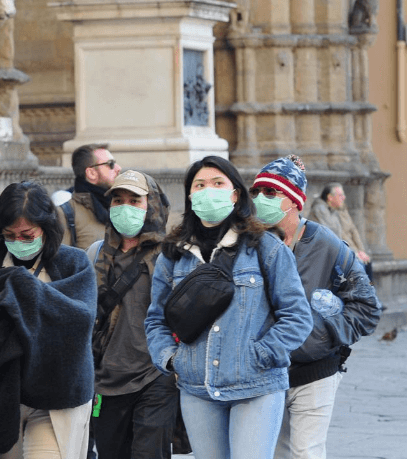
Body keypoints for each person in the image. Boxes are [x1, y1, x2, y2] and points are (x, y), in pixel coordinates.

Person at [144, 155, 313, 459]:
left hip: (257, 386)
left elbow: (297, 316)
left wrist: (261, 354)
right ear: (190, 195)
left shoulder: (266, 247)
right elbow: (156, 319)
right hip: (198, 389)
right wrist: (171, 360)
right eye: (200, 185)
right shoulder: (173, 254)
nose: (209, 190)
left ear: (235, 194)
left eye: (218, 183)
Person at [0, 181, 97, 459]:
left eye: (27, 235)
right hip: (3, 394)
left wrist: (23, 288)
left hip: (57, 397)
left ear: (46, 229)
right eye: (10, 235)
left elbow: (79, 320)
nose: (19, 243)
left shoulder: (73, 263)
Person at [250, 156, 381, 459]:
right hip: (265, 373)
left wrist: (322, 334)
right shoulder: (249, 244)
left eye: (270, 193)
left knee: (306, 453)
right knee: (273, 453)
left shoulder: (326, 244)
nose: (259, 200)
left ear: (294, 200)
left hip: (316, 371)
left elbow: (367, 306)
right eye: (256, 193)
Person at [88, 170, 179, 459]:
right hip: (105, 380)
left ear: (150, 205)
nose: (125, 207)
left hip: (154, 376)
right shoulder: (95, 254)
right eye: (118, 200)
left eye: (134, 200)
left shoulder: (171, 257)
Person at [57, 143, 122, 249]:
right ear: (91, 173)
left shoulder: (121, 208)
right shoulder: (65, 214)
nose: (118, 168)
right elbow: (61, 261)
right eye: (110, 164)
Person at [308, 183, 373, 282]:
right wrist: (354, 253)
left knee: (366, 264)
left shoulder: (333, 211)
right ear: (330, 197)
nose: (344, 197)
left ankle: (367, 293)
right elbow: (333, 236)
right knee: (358, 266)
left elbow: (350, 231)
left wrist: (361, 251)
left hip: (336, 253)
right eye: (340, 195)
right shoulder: (320, 209)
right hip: (324, 256)